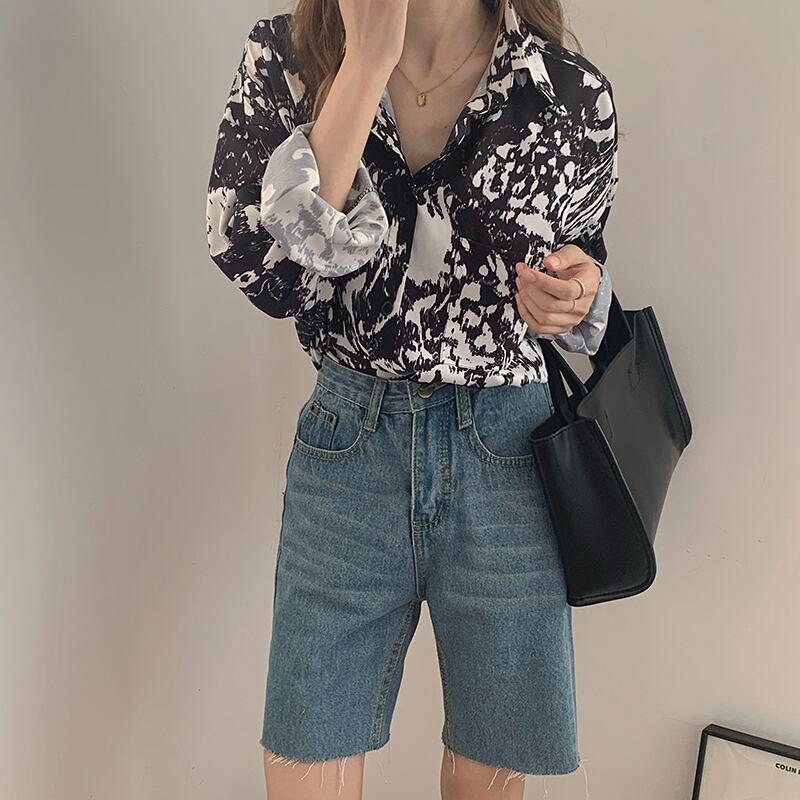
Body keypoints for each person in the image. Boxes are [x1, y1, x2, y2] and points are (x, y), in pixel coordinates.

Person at [205, 0, 618, 797]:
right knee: (307, 741)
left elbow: (585, 267)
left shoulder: (566, 92)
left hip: (508, 454)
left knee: (488, 766)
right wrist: (365, 67)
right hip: (349, 447)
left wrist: (577, 296)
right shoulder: (290, 59)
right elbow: (270, 277)